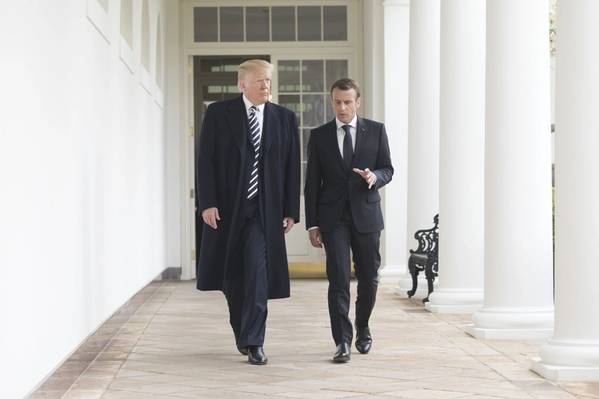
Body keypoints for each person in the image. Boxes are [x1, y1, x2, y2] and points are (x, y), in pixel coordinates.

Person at [195, 59, 300, 365]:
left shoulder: (284, 118)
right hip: (227, 209)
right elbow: (206, 161)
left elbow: (292, 167)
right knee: (231, 277)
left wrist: (290, 209)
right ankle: (242, 329)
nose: (266, 86)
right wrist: (208, 202)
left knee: (257, 272)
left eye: (268, 81)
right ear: (242, 84)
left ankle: (255, 341)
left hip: (263, 212)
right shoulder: (218, 114)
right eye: (259, 81)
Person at [304, 78, 393, 363]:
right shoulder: (319, 136)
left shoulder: (376, 131)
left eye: (347, 102)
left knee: (369, 278)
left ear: (357, 102)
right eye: (337, 102)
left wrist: (373, 177)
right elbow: (311, 183)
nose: (341, 108)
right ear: (332, 101)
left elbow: (388, 169)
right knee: (338, 279)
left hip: (366, 216)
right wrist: (313, 223)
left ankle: (363, 327)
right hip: (334, 220)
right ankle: (342, 340)